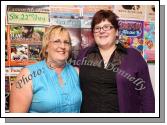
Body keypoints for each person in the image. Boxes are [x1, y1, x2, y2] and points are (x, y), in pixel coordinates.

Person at [77, 10, 155, 113]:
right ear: (93, 33)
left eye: (107, 27)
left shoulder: (134, 57)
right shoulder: (83, 55)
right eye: (97, 28)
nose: (101, 31)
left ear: (117, 31)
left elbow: (147, 96)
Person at [10, 25, 82, 113]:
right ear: (46, 47)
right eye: (57, 41)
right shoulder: (27, 75)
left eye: (66, 42)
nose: (62, 46)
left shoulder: (76, 73)